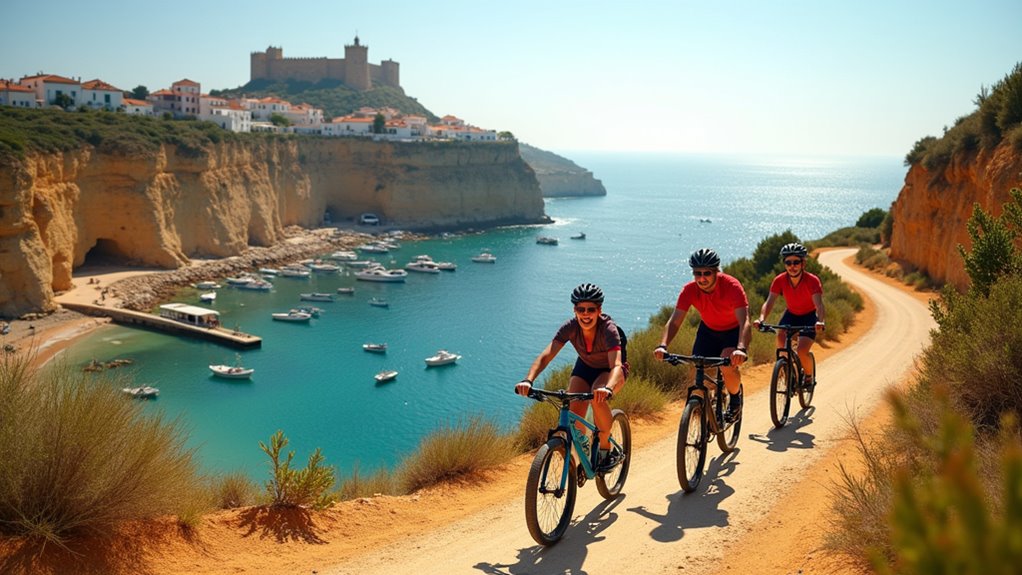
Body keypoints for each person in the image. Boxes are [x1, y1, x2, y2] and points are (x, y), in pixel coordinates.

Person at [515, 283, 627, 471]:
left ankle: (606, 449)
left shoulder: (608, 329)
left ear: (599, 310)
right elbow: (546, 355)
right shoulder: (570, 327)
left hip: (610, 371)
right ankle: (582, 455)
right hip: (585, 367)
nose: (585, 314)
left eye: (591, 309)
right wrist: (528, 380)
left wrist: (607, 388)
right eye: (580, 309)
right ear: (574, 310)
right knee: (573, 415)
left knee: (597, 398)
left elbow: (616, 364)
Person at [653, 248, 751, 421]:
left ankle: (735, 399)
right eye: (697, 273)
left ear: (716, 272)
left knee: (727, 365)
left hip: (733, 332)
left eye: (707, 273)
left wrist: (741, 348)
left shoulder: (732, 286)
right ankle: (705, 406)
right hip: (708, 331)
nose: (701, 278)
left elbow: (745, 321)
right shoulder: (689, 290)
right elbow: (675, 321)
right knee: (696, 371)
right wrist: (663, 345)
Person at [754, 242, 826, 389]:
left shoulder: (812, 281)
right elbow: (769, 302)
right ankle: (788, 372)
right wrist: (761, 319)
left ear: (803, 263)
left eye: (796, 262)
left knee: (801, 350)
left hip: (809, 317)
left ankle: (808, 376)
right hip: (791, 315)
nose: (792, 266)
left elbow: (819, 305)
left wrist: (820, 321)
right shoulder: (779, 280)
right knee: (781, 346)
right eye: (788, 262)